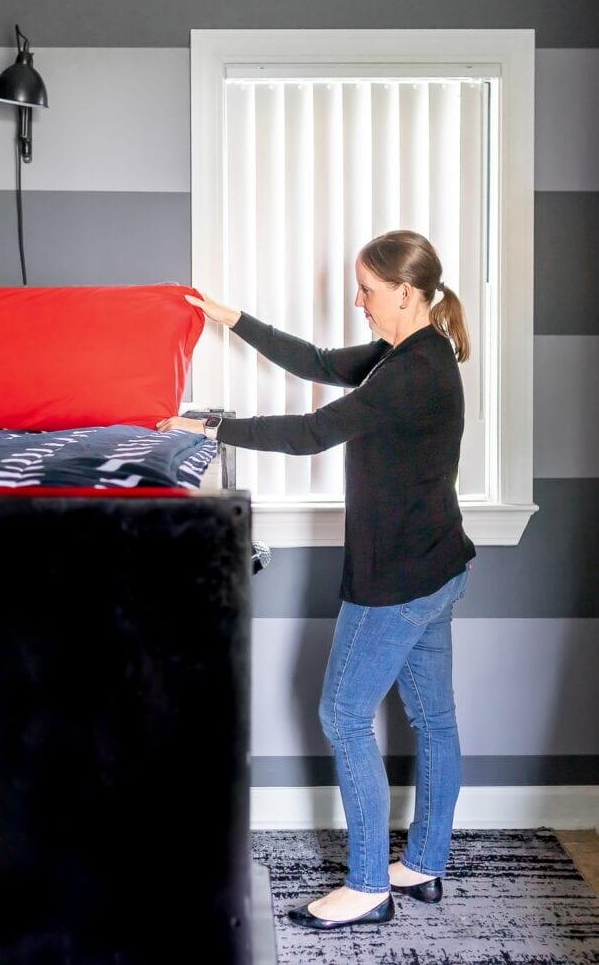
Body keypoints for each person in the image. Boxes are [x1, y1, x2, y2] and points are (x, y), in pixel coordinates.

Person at [157, 229, 476, 931]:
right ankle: (423, 865)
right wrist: (233, 319)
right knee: (434, 719)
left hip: (396, 580)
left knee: (342, 714)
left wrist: (210, 428)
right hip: (435, 565)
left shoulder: (413, 372)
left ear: (405, 291)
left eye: (367, 290)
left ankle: (368, 887)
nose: (359, 302)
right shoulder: (414, 351)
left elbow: (312, 432)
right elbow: (320, 362)